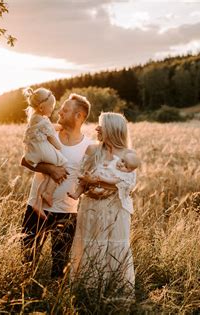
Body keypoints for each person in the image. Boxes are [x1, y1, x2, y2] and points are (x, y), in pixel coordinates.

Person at [20, 93, 95, 279]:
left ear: (79, 116)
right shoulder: (48, 133)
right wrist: (51, 169)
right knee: (27, 260)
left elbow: (89, 179)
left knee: (60, 267)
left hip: (67, 212)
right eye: (60, 107)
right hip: (37, 208)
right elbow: (25, 160)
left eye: (66, 109)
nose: (59, 111)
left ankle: (55, 302)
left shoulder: (89, 146)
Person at [69, 112, 139, 299]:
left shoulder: (129, 156)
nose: (97, 128)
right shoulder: (92, 150)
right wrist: (90, 183)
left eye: (101, 125)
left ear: (113, 129)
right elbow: (82, 176)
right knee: (91, 247)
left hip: (116, 210)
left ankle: (115, 294)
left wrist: (98, 181)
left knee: (116, 247)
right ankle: (88, 294)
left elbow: (127, 185)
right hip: (92, 208)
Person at [22, 87, 67, 213]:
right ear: (42, 108)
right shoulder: (44, 121)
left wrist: (60, 127)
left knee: (47, 175)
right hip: (41, 151)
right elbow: (52, 137)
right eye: (51, 106)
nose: (53, 109)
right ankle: (48, 193)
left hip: (33, 151)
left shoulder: (34, 118)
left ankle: (38, 202)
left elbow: (50, 128)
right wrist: (59, 147)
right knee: (60, 163)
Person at [67, 151, 139, 200]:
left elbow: (114, 181)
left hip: (102, 184)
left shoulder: (122, 175)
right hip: (97, 177)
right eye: (122, 161)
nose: (121, 164)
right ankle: (76, 194)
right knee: (83, 183)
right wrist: (105, 163)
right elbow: (109, 163)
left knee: (93, 186)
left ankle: (86, 179)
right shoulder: (115, 161)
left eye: (125, 166)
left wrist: (103, 179)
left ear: (130, 171)